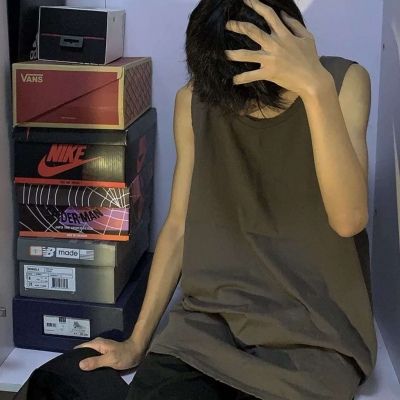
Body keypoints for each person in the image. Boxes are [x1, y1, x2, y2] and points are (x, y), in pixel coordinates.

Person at [75, 0, 378, 399]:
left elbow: (349, 218)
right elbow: (179, 225)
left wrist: (315, 87)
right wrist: (137, 341)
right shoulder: (197, 99)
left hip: (314, 337)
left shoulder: (341, 84)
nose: (247, 109)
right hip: (208, 329)